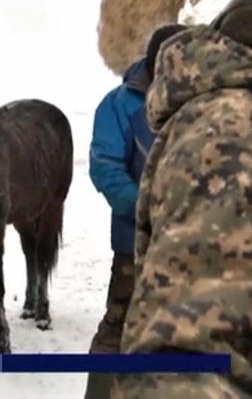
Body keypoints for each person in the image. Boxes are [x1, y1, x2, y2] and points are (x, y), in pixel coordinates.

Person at [113, 0, 252, 399]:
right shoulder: (229, 125)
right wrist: (131, 204)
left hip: (165, 229)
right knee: (114, 327)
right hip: (153, 229)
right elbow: (186, 362)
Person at [84, 23, 187, 399]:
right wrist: (151, 213)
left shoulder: (197, 99)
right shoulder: (119, 105)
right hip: (135, 243)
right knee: (119, 326)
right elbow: (105, 167)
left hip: (196, 245)